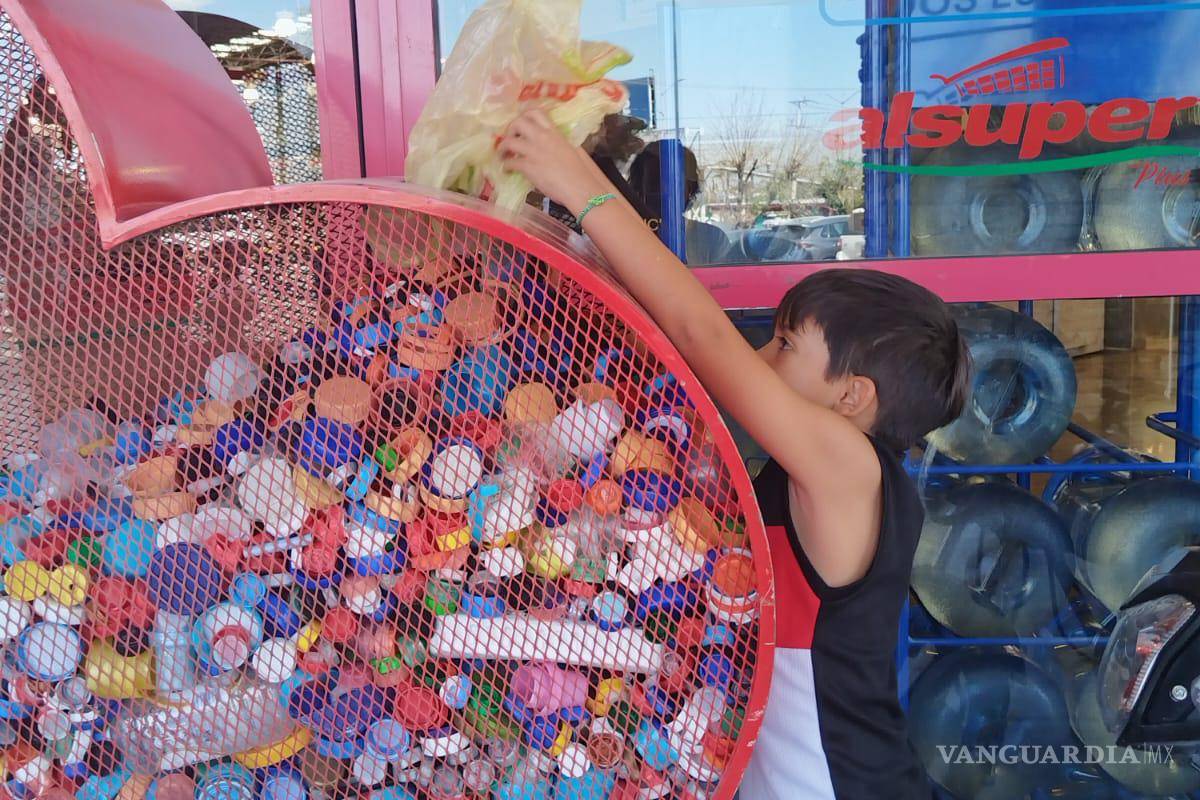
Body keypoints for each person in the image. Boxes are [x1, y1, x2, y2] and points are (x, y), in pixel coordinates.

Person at [498, 110, 970, 800]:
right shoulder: (810, 477)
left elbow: (701, 337)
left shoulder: (850, 470)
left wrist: (583, 186)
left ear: (852, 398)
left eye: (783, 347)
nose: (759, 358)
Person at [627, 140, 736, 264]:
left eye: (673, 184)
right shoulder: (625, 239)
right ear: (639, 190)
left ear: (690, 189)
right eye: (655, 183)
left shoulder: (712, 239)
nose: (665, 192)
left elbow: (722, 282)